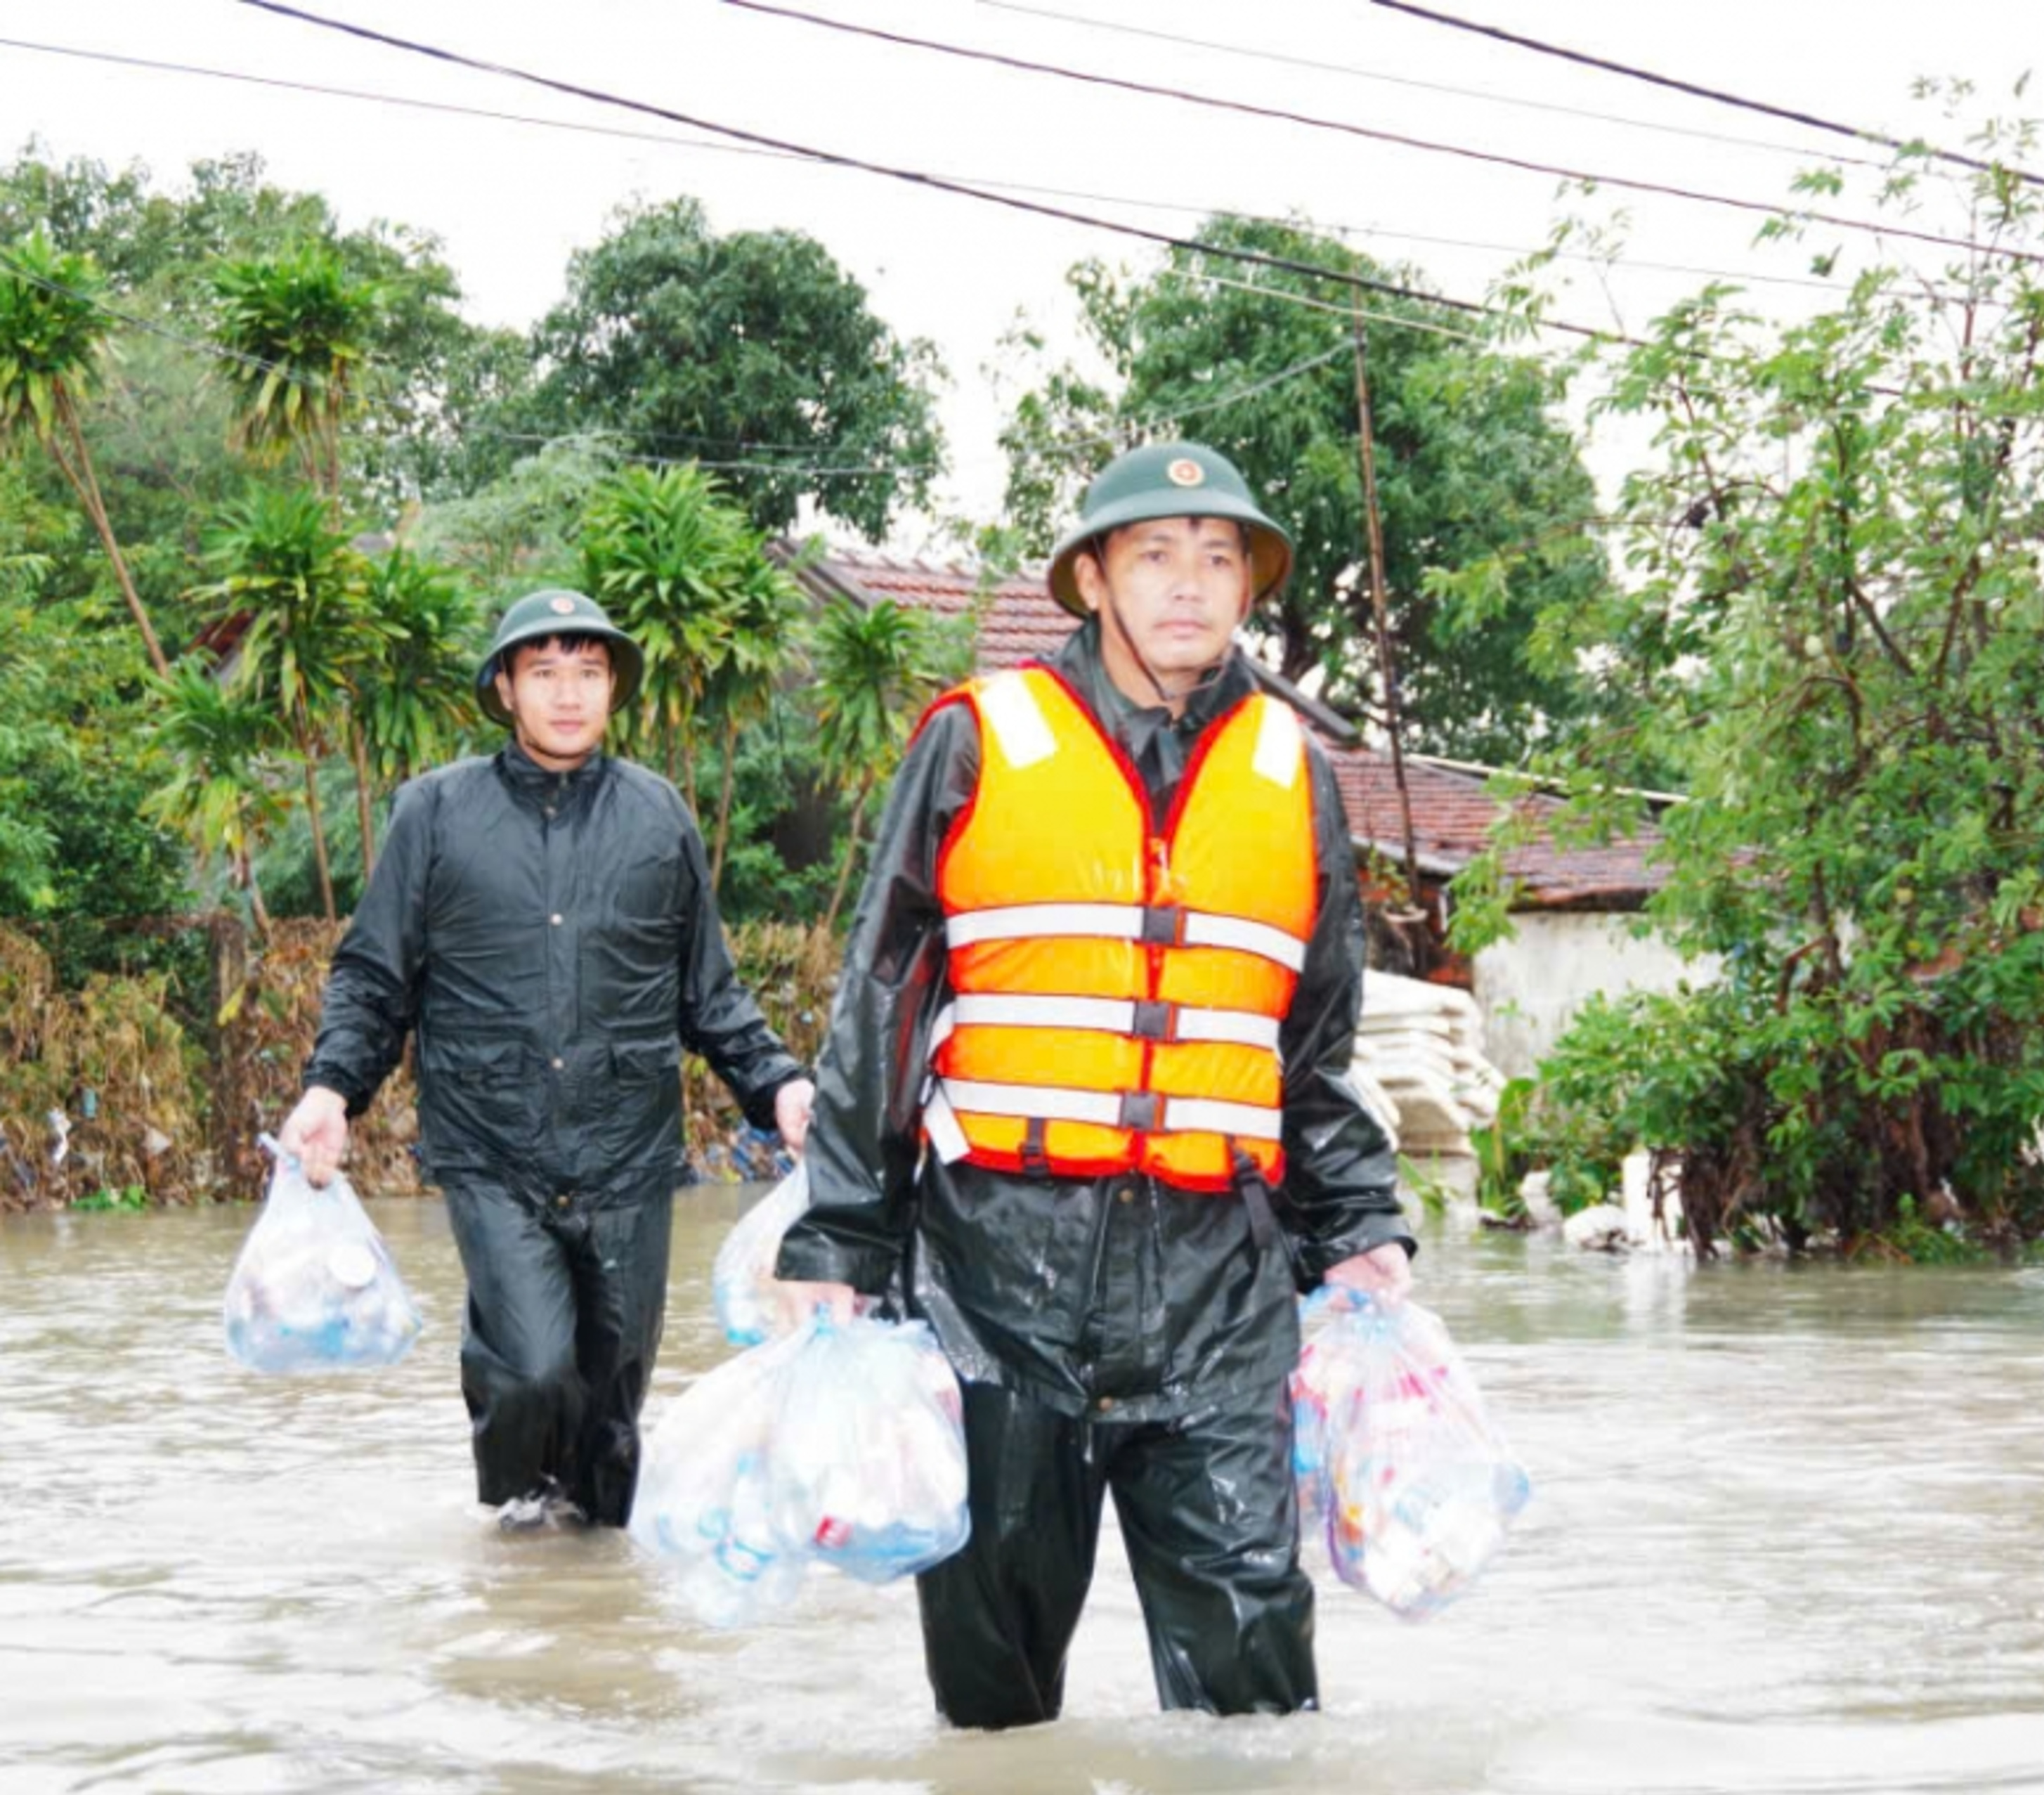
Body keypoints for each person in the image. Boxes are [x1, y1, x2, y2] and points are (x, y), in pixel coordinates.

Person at [776, 441, 1412, 1728]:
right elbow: (885, 1000)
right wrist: (838, 1235)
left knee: (1255, 1680)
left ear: (1249, 589)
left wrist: (1358, 1229)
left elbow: (1315, 1044)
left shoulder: (1297, 774)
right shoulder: (977, 740)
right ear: (1094, 580)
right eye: (1156, 556)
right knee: (996, 1699)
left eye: (1220, 559)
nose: (1191, 586)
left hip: (1221, 1279)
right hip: (1000, 1269)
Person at [280, 588, 813, 1530]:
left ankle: (586, 1621)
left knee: (613, 1419)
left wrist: (782, 1088)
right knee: (529, 1374)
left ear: (614, 689)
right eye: (545, 672)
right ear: (504, 689)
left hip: (627, 1159)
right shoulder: (435, 814)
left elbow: (710, 996)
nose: (569, 694)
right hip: (495, 1154)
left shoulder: (659, 819)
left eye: (590, 672)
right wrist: (331, 1090)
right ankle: (517, 1553)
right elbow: (374, 978)